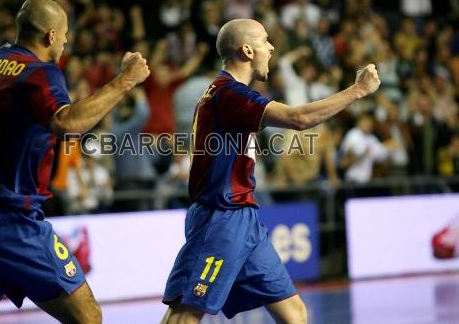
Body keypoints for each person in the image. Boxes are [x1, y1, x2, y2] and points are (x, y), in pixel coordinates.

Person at [0, 0, 150, 324]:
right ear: (50, 36)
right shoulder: (40, 72)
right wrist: (125, 80)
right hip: (6, 215)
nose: (65, 43)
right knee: (87, 316)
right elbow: (66, 123)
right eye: (64, 35)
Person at [161, 18, 380, 324]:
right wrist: (357, 90)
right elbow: (299, 118)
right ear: (247, 50)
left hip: (245, 220)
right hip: (221, 218)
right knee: (185, 314)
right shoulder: (229, 94)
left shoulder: (225, 94)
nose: (272, 47)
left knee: (294, 313)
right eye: (265, 41)